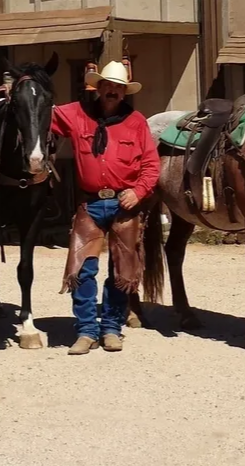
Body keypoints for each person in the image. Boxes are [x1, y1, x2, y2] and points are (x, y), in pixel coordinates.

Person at [50, 60, 160, 355]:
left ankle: (111, 328)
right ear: (97, 87)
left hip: (124, 204)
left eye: (118, 87)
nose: (112, 91)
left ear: (125, 92)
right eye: (108, 85)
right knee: (83, 269)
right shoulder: (75, 114)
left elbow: (151, 164)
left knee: (121, 270)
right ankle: (86, 331)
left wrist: (138, 192)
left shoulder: (136, 121)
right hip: (90, 202)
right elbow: (38, 114)